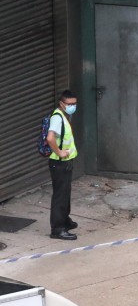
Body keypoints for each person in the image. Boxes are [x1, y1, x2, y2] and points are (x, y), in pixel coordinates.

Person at [46, 89, 79, 240]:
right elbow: (50, 138)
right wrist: (59, 152)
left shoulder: (64, 116)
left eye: (75, 104)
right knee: (60, 195)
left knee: (65, 193)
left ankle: (65, 221)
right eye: (70, 104)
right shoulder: (57, 118)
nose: (73, 106)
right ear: (61, 104)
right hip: (58, 163)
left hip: (65, 163)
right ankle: (57, 229)